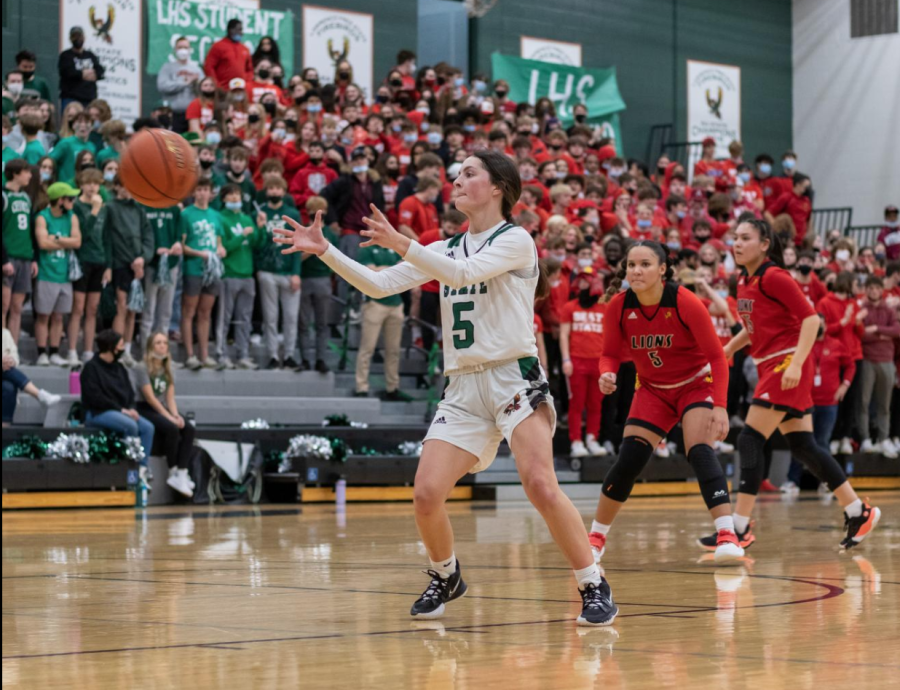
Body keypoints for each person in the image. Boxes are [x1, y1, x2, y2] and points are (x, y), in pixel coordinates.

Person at [274, 149, 618, 627]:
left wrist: (402, 242)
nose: (457, 180)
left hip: (512, 377)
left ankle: (592, 582)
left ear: (498, 187)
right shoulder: (446, 245)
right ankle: (446, 574)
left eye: (469, 173)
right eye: (457, 174)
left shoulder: (516, 240)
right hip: (462, 386)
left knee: (540, 484)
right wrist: (327, 251)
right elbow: (378, 285)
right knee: (426, 494)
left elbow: (462, 275)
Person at [697, 219, 881, 551]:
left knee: (751, 439)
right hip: (772, 364)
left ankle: (738, 529)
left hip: (786, 365)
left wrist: (796, 363)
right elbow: (753, 327)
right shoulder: (744, 279)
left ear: (765, 244)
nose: (737, 244)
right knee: (803, 446)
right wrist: (728, 349)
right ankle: (858, 510)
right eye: (735, 238)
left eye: (745, 238)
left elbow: (812, 319)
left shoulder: (775, 277)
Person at [589, 240, 743, 564]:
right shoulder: (619, 305)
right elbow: (609, 354)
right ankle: (596, 538)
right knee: (629, 458)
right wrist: (608, 373)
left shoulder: (684, 301)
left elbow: (717, 356)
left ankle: (728, 534)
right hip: (652, 389)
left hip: (696, 383)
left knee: (699, 449)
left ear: (662, 270)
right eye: (631, 265)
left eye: (645, 264)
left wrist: (720, 406)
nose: (636, 270)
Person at [82, 329, 154, 477]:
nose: (123, 350)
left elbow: (129, 393)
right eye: (121, 346)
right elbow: (95, 398)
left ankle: (142, 468)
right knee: (130, 425)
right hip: (97, 412)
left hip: (122, 411)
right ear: (111, 347)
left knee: (148, 427)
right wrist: (122, 410)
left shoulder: (120, 367)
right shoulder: (91, 368)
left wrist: (131, 408)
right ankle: (129, 469)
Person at [133, 331, 196, 497]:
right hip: (144, 407)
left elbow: (169, 397)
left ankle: (182, 472)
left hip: (161, 407)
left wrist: (176, 416)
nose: (162, 346)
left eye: (165, 343)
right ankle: (172, 470)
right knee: (171, 428)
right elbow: (150, 398)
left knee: (188, 428)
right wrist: (169, 418)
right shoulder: (141, 367)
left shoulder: (169, 367)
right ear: (150, 347)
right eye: (158, 343)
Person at [103, 176, 154, 367]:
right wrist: (109, 265)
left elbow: (148, 237)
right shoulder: (110, 208)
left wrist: (143, 258)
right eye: (123, 186)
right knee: (121, 306)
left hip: (137, 265)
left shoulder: (139, 209)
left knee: (133, 309)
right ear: (116, 187)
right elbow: (107, 238)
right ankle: (117, 348)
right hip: (120, 264)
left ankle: (128, 350)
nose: (127, 190)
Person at [560, 267, 609, 458]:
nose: (581, 284)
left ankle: (592, 439)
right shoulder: (570, 307)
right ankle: (576, 441)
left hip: (598, 362)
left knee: (596, 404)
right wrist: (566, 359)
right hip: (576, 361)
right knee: (576, 404)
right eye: (579, 280)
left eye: (585, 281)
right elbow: (564, 335)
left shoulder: (605, 307)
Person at [255, 176, 302, 369]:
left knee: (291, 317)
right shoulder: (260, 212)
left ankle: (289, 355)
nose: (274, 192)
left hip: (288, 271)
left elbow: (299, 244)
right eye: (271, 188)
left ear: (284, 191)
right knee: (270, 316)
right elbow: (256, 245)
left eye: (278, 188)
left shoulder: (292, 214)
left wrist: (296, 272)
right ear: (266, 191)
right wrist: (260, 228)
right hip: (267, 270)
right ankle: (273, 355)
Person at [34, 182, 81, 366]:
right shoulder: (42, 217)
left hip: (65, 275)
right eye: (70, 198)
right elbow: (42, 244)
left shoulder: (72, 217)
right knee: (43, 316)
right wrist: (65, 242)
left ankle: (54, 351)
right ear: (59, 200)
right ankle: (41, 352)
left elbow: (77, 242)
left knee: (59, 316)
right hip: (47, 273)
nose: (73, 201)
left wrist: (56, 238)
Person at [180, 179, 225, 370]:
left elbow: (219, 242)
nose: (202, 193)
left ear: (211, 193)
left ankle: (204, 355)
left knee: (205, 312)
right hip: (194, 267)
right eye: (198, 190)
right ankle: (190, 354)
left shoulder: (216, 215)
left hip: (212, 269)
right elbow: (182, 245)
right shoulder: (186, 214)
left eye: (205, 189)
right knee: (189, 311)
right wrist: (200, 253)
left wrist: (220, 251)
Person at [215, 185, 262, 370]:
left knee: (245, 318)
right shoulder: (220, 218)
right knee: (224, 317)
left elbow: (257, 243)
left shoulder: (246, 218)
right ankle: (221, 354)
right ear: (224, 198)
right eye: (231, 195)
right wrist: (241, 236)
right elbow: (224, 248)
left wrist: (261, 227)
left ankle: (243, 355)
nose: (235, 198)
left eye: (238, 195)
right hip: (229, 273)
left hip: (247, 274)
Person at [353, 242, 406, 399]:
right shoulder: (365, 250)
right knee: (367, 348)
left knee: (394, 350)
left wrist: (382, 269)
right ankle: (361, 386)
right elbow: (370, 272)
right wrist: (392, 269)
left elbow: (404, 269)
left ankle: (392, 387)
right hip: (374, 302)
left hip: (396, 303)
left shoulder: (393, 249)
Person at [68, 169, 108, 364]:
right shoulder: (77, 207)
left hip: (99, 260)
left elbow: (106, 238)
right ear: (81, 185)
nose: (93, 187)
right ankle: (72, 349)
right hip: (82, 259)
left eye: (96, 183)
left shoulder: (104, 207)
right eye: (89, 183)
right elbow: (82, 234)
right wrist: (93, 211)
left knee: (93, 309)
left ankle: (88, 350)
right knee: (78, 308)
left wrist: (108, 265)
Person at [857, 276, 900, 457]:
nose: (873, 291)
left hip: (887, 362)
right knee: (864, 403)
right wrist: (883, 334)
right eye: (870, 288)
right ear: (866, 290)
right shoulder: (862, 310)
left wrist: (874, 329)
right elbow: (860, 335)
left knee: (885, 404)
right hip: (867, 360)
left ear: (881, 290)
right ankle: (865, 439)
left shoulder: (889, 310)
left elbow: (897, 331)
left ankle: (883, 439)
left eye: (876, 288)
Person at [297, 196, 338, 373]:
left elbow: (337, 260)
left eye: (320, 210)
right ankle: (305, 358)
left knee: (322, 323)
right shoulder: (302, 232)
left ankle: (321, 359)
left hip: (323, 279)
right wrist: (314, 249)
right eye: (313, 211)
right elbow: (296, 258)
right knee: (304, 323)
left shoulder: (330, 233)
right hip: (305, 278)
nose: (316, 214)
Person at [2, 159, 36, 344]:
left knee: (17, 308)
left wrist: (34, 258)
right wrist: (4, 259)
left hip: (24, 256)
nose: (30, 175)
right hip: (8, 257)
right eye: (26, 171)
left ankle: (12, 351)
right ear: (15, 173)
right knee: (4, 306)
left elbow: (31, 230)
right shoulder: (3, 196)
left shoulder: (26, 198)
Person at [140, 204, 181, 354]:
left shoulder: (174, 209)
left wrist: (177, 244)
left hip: (171, 264)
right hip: (152, 264)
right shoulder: (145, 207)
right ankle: (146, 353)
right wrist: (153, 249)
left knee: (166, 312)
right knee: (148, 311)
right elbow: (142, 234)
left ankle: (162, 354)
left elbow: (179, 234)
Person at [2, 327, 60, 425]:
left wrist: (11, 361)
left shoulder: (5, 333)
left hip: (6, 374)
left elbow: (15, 357)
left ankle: (4, 428)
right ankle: (39, 394)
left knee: (8, 386)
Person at [156, 37, 204, 133]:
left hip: (192, 115)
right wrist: (184, 83)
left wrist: (196, 83)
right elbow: (162, 86)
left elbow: (204, 89)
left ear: (190, 50)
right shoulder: (167, 67)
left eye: (185, 47)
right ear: (175, 50)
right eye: (180, 47)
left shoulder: (197, 70)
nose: (183, 50)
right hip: (173, 113)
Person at [58, 26, 105, 109]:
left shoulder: (90, 55)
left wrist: (84, 74)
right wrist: (83, 74)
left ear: (84, 37)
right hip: (70, 98)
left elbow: (100, 71)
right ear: (70, 38)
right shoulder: (66, 55)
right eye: (74, 36)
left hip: (89, 99)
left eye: (79, 36)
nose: (78, 39)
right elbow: (68, 73)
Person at [204, 19, 252, 90]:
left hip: (241, 90)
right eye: (238, 30)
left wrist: (246, 82)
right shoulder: (218, 46)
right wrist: (217, 85)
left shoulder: (244, 48)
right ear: (230, 30)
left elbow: (250, 69)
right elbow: (209, 67)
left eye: (241, 30)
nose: (241, 33)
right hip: (223, 90)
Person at [50, 111, 96, 185]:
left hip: (84, 186)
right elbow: (50, 160)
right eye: (80, 122)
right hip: (66, 186)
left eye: (87, 122)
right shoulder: (66, 143)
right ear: (73, 125)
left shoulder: (92, 147)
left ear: (92, 127)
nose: (83, 125)